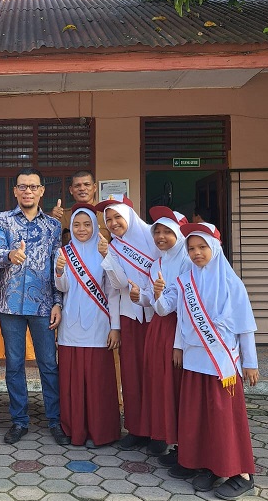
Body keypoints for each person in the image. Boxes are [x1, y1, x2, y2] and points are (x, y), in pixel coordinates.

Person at [154, 222, 259, 499]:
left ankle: (241, 473)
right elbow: (172, 312)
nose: (196, 253)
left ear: (214, 248)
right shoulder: (187, 280)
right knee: (198, 417)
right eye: (191, 248)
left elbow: (245, 325)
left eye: (202, 247)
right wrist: (157, 294)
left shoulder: (231, 282)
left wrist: (250, 362)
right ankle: (207, 464)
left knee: (224, 418)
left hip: (221, 363)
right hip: (194, 360)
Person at [0, 167, 69, 446]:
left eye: (33, 186)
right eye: (22, 186)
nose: (27, 191)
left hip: (43, 305)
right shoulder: (1, 220)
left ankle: (55, 420)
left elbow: (55, 269)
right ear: (15, 191)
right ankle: (19, 421)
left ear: (41, 191)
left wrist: (58, 302)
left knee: (48, 364)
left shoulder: (52, 226)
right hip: (9, 304)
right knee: (14, 365)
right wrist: (10, 254)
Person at [55, 207, 121, 447]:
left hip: (99, 324)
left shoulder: (105, 251)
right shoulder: (63, 252)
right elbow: (62, 288)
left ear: (95, 227)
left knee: (97, 382)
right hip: (70, 326)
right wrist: (60, 270)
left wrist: (116, 327)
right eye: (76, 225)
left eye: (87, 224)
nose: (81, 229)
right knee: (72, 382)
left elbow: (114, 291)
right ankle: (75, 430)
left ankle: (101, 431)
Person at [128, 207, 190, 462]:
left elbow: (177, 303)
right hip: (158, 329)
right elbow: (156, 301)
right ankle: (160, 434)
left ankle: (181, 441)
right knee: (157, 383)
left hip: (181, 328)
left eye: (167, 232)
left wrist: (156, 296)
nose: (161, 237)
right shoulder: (157, 263)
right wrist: (140, 296)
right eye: (157, 232)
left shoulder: (188, 260)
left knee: (177, 386)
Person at [98, 194, 157, 450]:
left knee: (156, 376)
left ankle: (160, 431)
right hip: (130, 317)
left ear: (130, 217)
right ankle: (136, 429)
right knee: (131, 376)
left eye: (117, 217)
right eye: (108, 219)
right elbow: (117, 287)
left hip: (157, 317)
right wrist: (115, 326)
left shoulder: (154, 239)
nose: (113, 223)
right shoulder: (115, 246)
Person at [50, 170, 111, 241]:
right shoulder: (62, 216)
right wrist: (51, 220)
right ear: (71, 190)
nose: (82, 189)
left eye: (87, 184)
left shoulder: (107, 214)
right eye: (77, 186)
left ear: (94, 188)